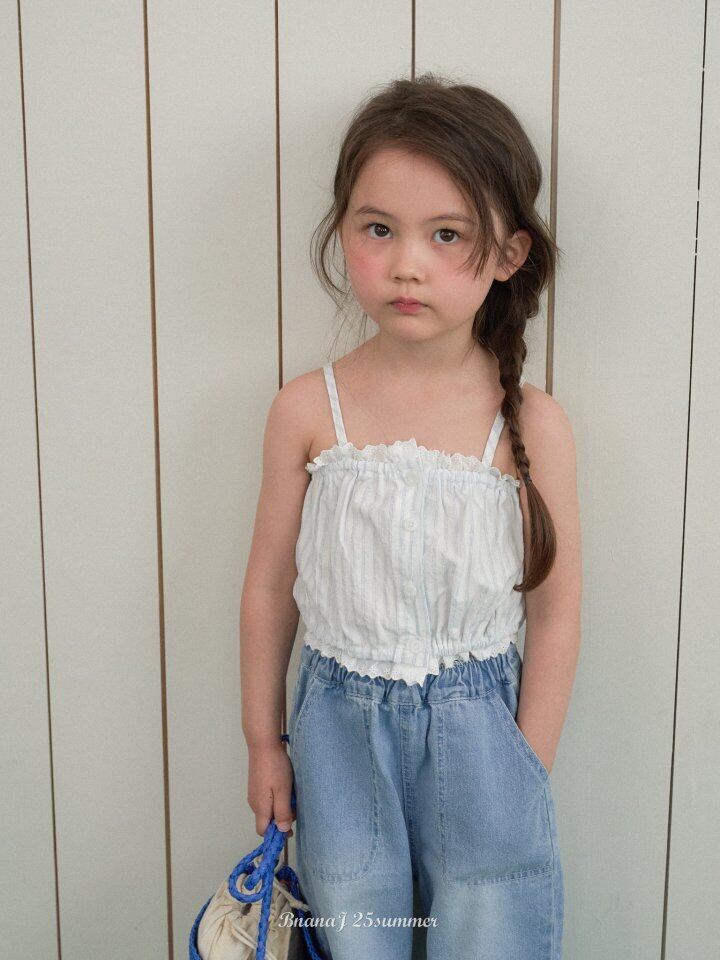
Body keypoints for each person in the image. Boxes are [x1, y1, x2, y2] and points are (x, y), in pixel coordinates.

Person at [240, 72, 582, 960]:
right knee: (359, 932)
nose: (406, 265)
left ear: (508, 253)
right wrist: (264, 741)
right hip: (337, 738)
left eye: (447, 235)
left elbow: (556, 610)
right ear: (342, 232)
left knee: (489, 936)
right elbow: (270, 586)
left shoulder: (532, 424)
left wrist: (526, 766)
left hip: (484, 739)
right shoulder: (307, 409)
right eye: (379, 229)